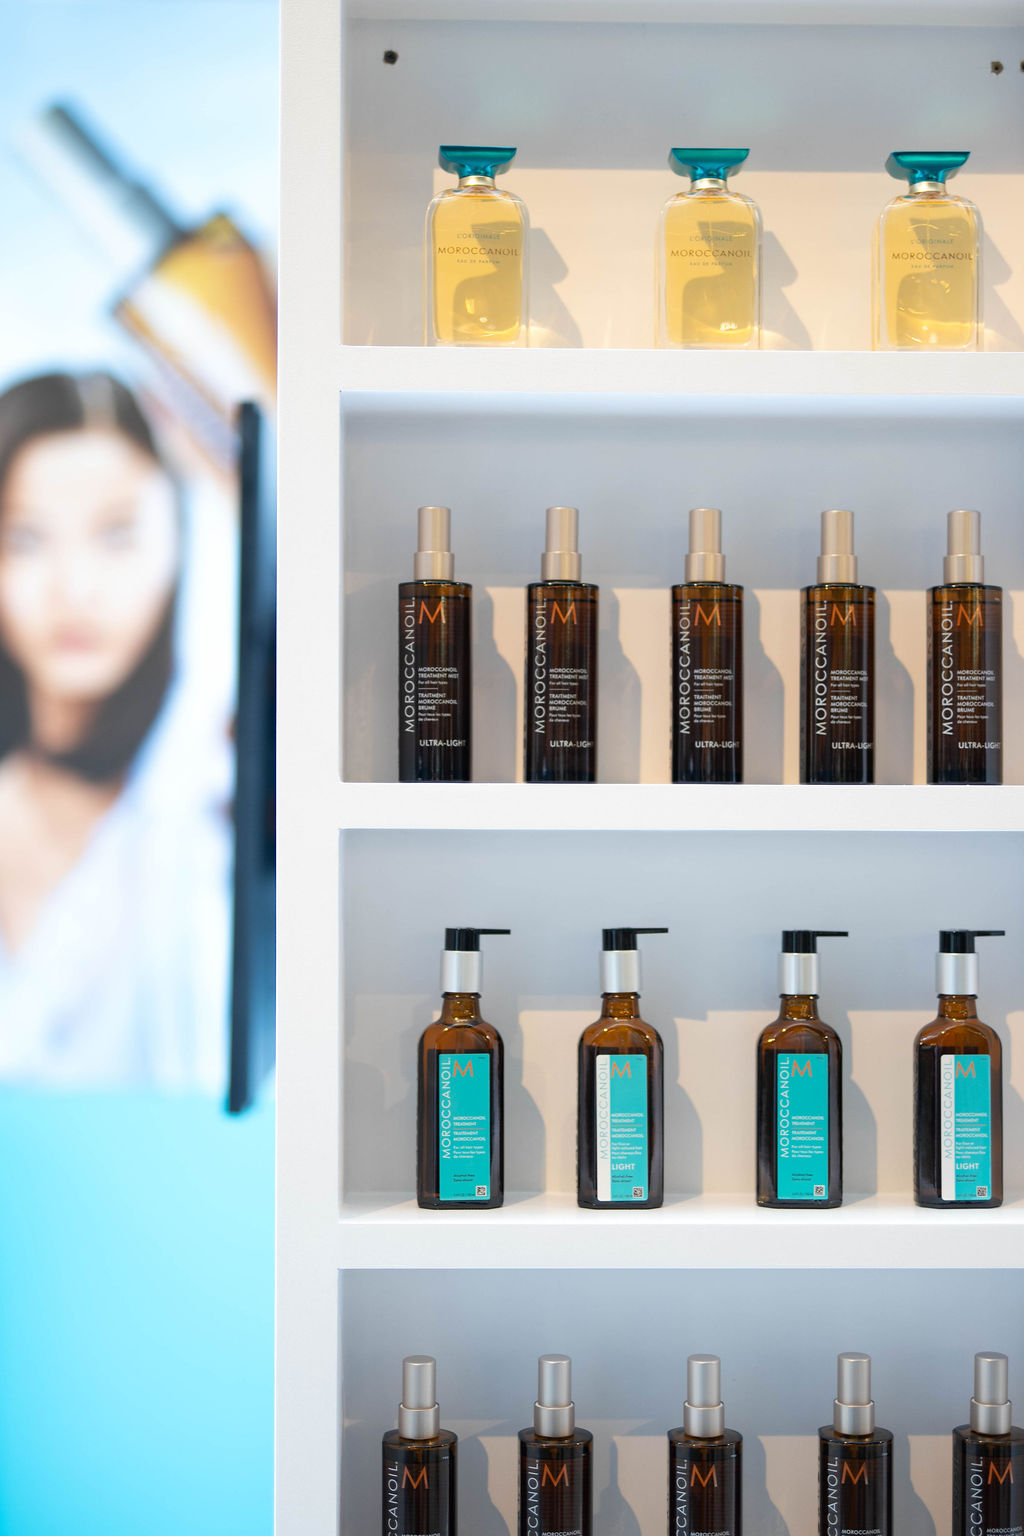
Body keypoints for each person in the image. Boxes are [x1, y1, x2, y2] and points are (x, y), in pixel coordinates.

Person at [0, 371, 231, 1089]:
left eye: (118, 535)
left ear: (182, 546)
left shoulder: (209, 801)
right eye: (25, 538)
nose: (75, 589)